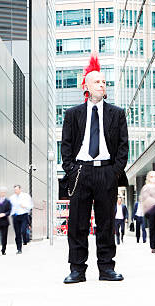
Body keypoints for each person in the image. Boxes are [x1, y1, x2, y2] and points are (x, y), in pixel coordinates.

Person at [60, 53, 128, 284]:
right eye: (97, 81)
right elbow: (66, 146)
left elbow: (123, 147)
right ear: (86, 85)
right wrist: (71, 170)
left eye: (104, 82)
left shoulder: (117, 114)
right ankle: (77, 270)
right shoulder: (72, 114)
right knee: (78, 224)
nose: (102, 84)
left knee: (106, 223)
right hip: (80, 172)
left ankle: (107, 268)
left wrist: (114, 172)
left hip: (106, 172)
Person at [9, 184, 33, 254]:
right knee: (17, 233)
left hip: (23, 215)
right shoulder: (12, 198)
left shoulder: (26, 196)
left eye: (17, 189)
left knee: (23, 230)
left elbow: (31, 205)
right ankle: (19, 249)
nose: (15, 191)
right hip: (15, 216)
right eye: (14, 190)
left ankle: (25, 239)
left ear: (20, 189)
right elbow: (9, 207)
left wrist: (24, 206)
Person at [0, 186, 11, 255]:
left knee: (4, 236)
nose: (2, 193)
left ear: (5, 193)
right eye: (1, 192)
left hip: (4, 222)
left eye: (3, 192)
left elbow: (9, 211)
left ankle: (3, 250)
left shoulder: (7, 201)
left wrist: (4, 214)